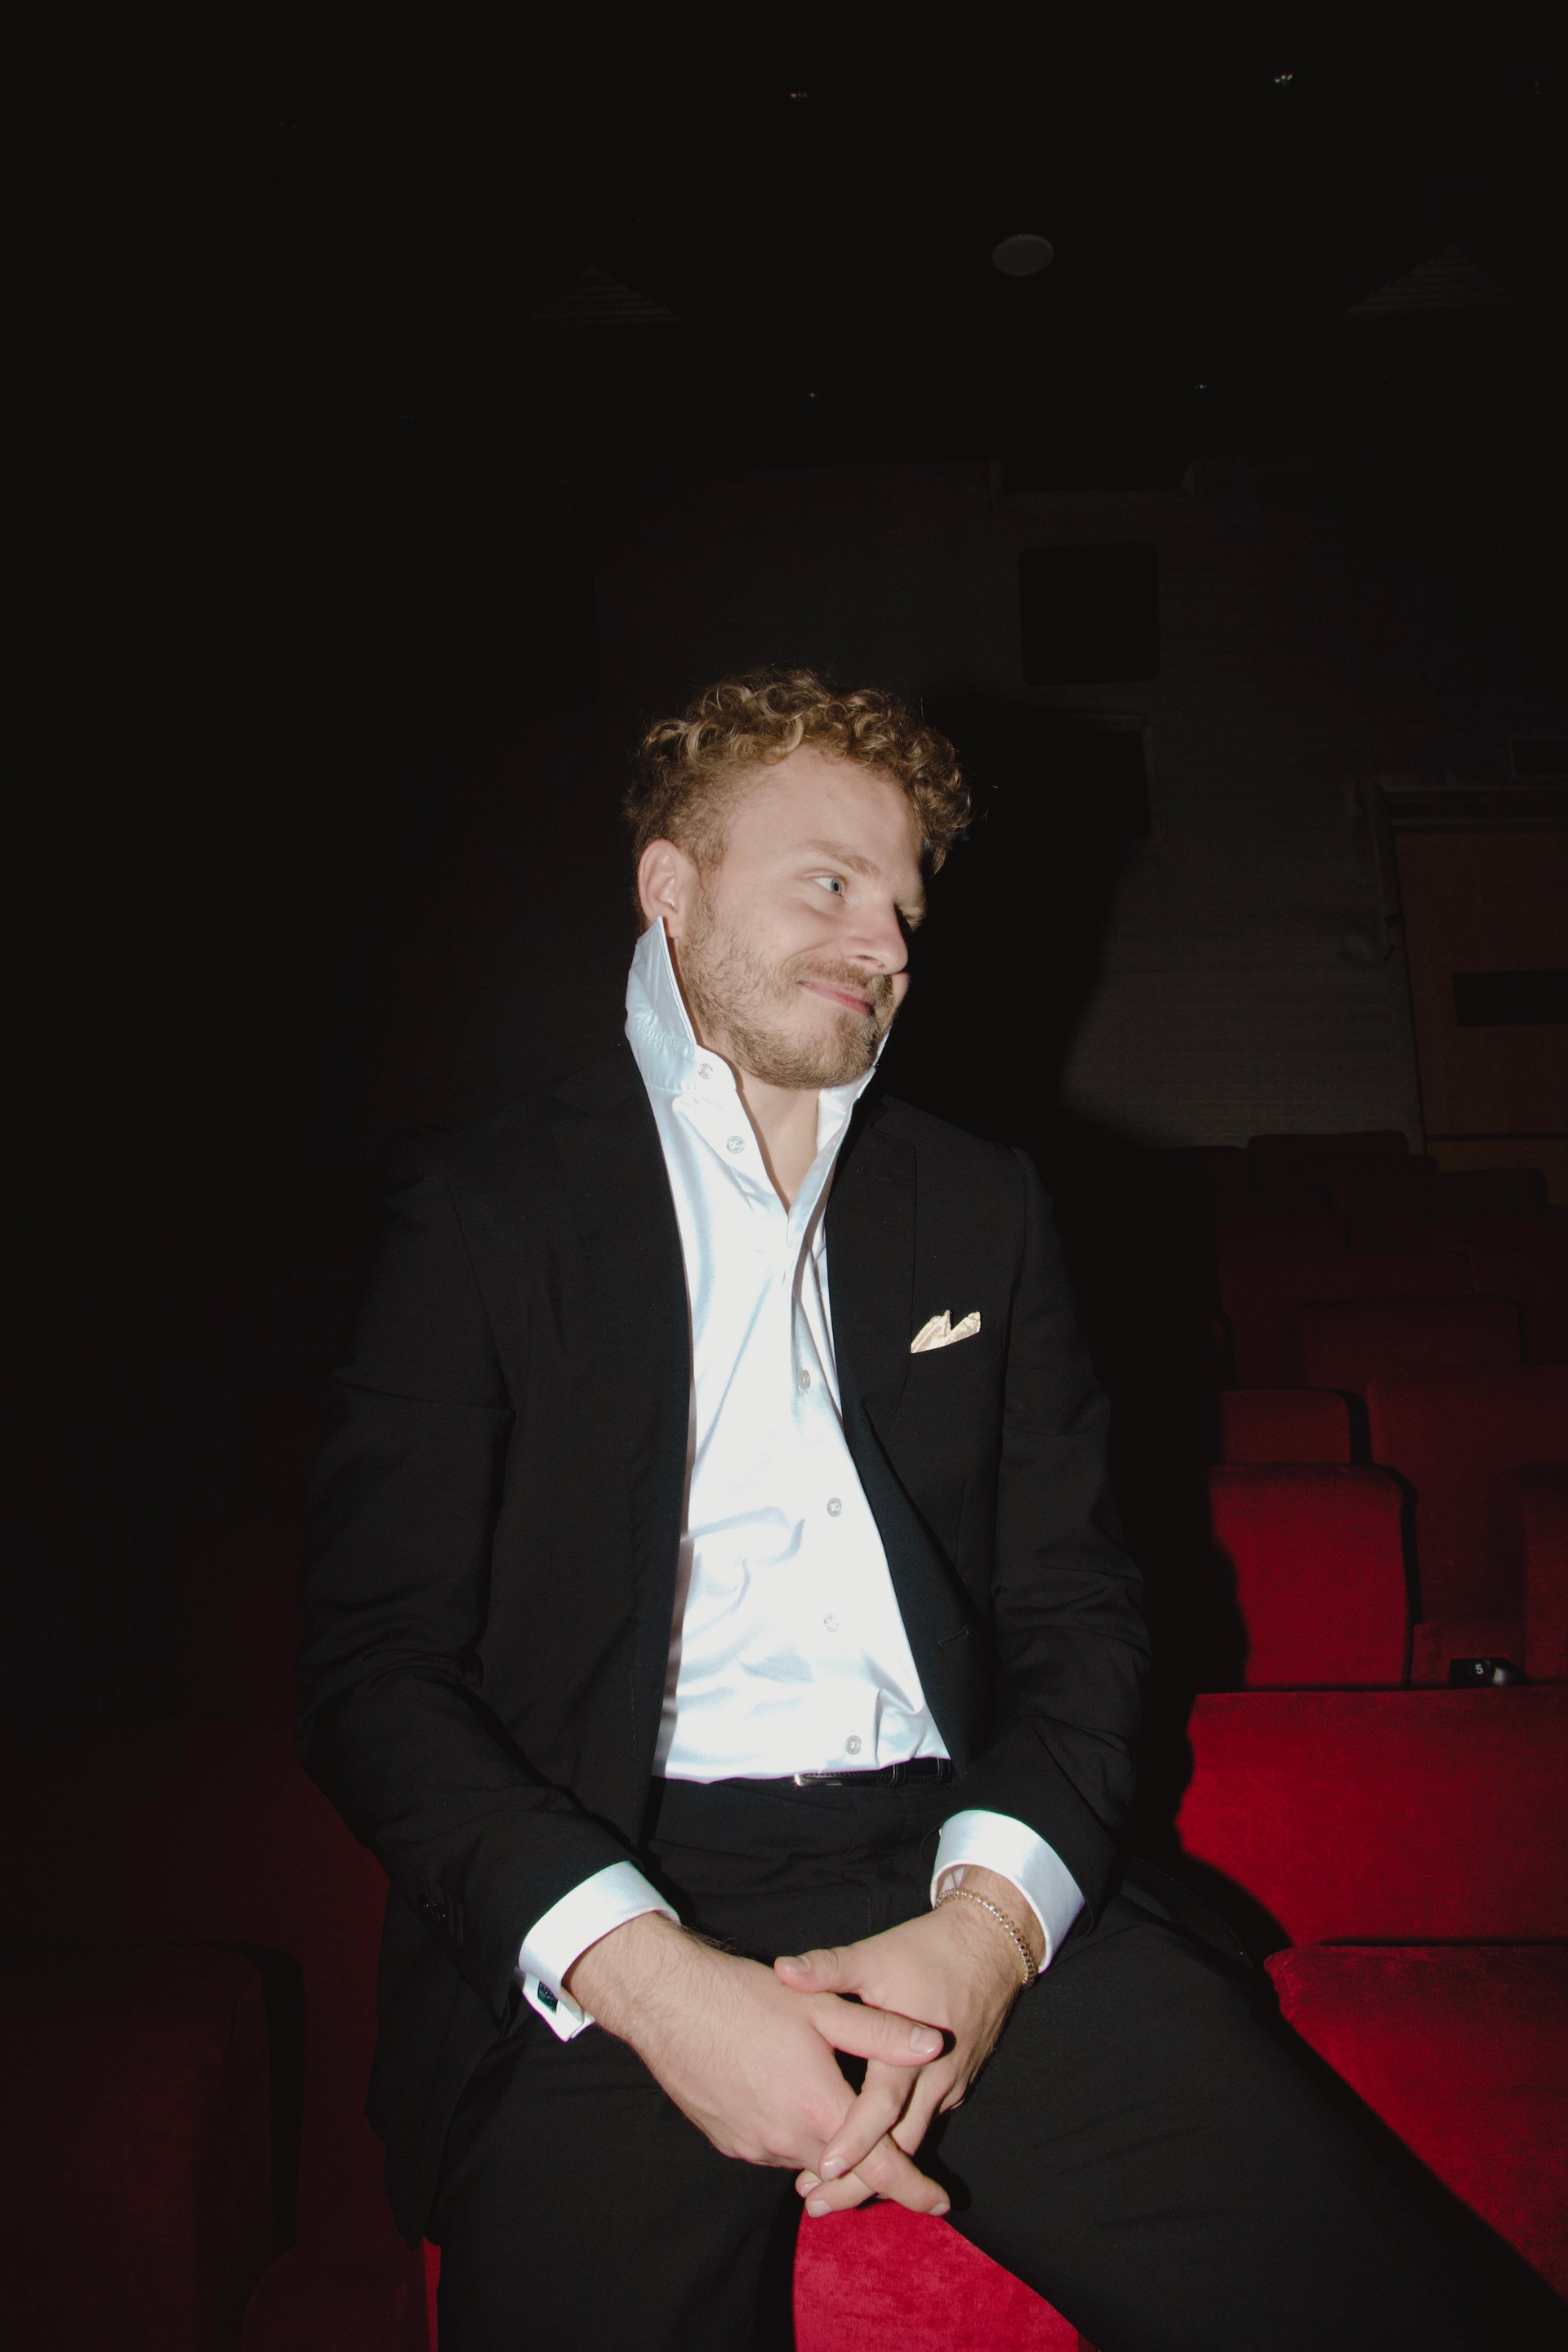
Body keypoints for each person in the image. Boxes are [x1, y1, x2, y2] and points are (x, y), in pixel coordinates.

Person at [299, 669, 1471, 2350]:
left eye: (907, 904)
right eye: (831, 884)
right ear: (671, 888)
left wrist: (985, 1931)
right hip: (618, 1871)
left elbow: (1081, 1613)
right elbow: (373, 1671)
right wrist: (647, 1980)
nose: (886, 943)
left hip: (943, 1845)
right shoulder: (486, 1212)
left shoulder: (981, 1203)